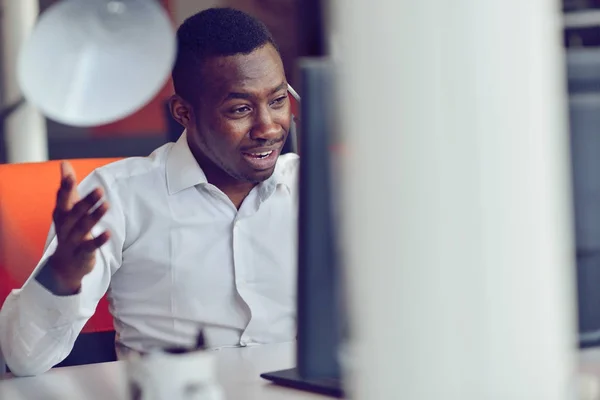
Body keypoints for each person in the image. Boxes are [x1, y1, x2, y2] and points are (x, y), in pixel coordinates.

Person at [0, 7, 299, 376]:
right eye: (240, 109)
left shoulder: (311, 188)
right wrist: (61, 278)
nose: (268, 127)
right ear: (183, 113)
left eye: (278, 100)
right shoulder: (117, 196)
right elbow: (21, 360)